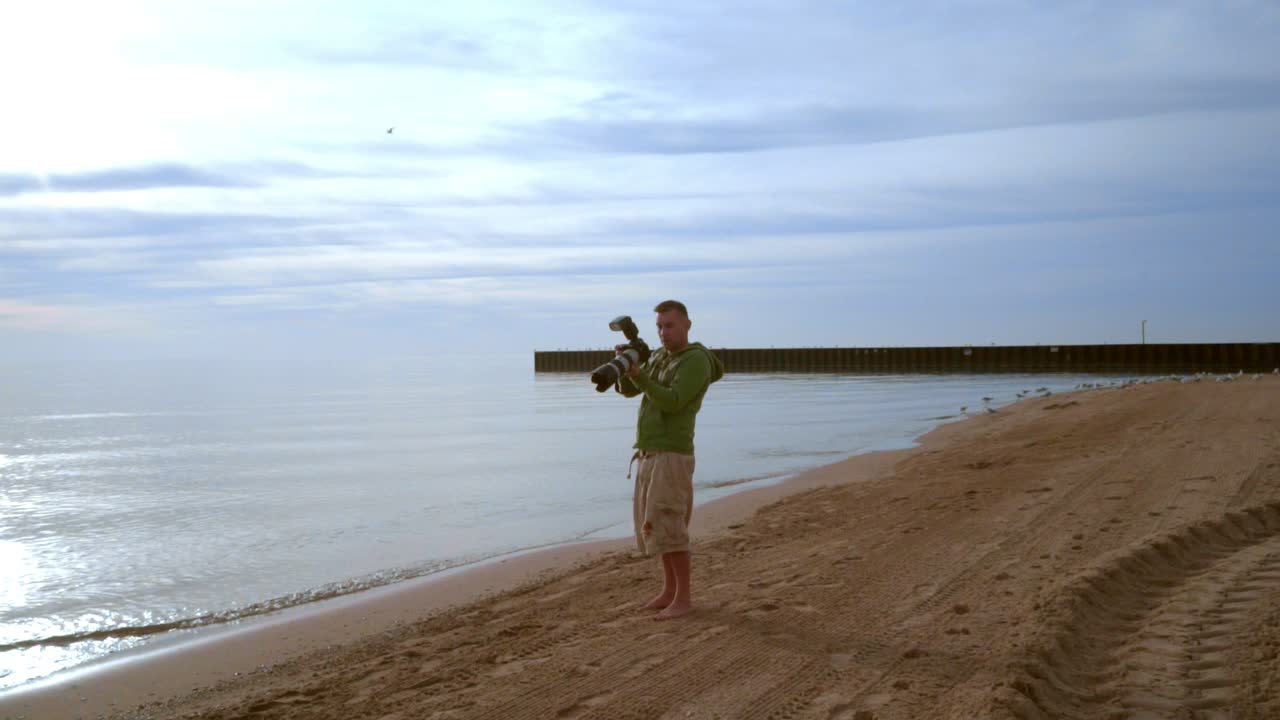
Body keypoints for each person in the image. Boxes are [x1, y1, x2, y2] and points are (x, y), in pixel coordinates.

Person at [615, 300, 724, 620]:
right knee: (657, 527)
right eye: (660, 327)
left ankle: (684, 598)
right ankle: (668, 591)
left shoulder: (695, 361)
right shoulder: (660, 356)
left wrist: (643, 379)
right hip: (649, 451)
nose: (664, 333)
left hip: (672, 454)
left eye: (670, 325)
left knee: (671, 524)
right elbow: (630, 392)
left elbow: (674, 402)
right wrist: (625, 368)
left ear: (687, 325)